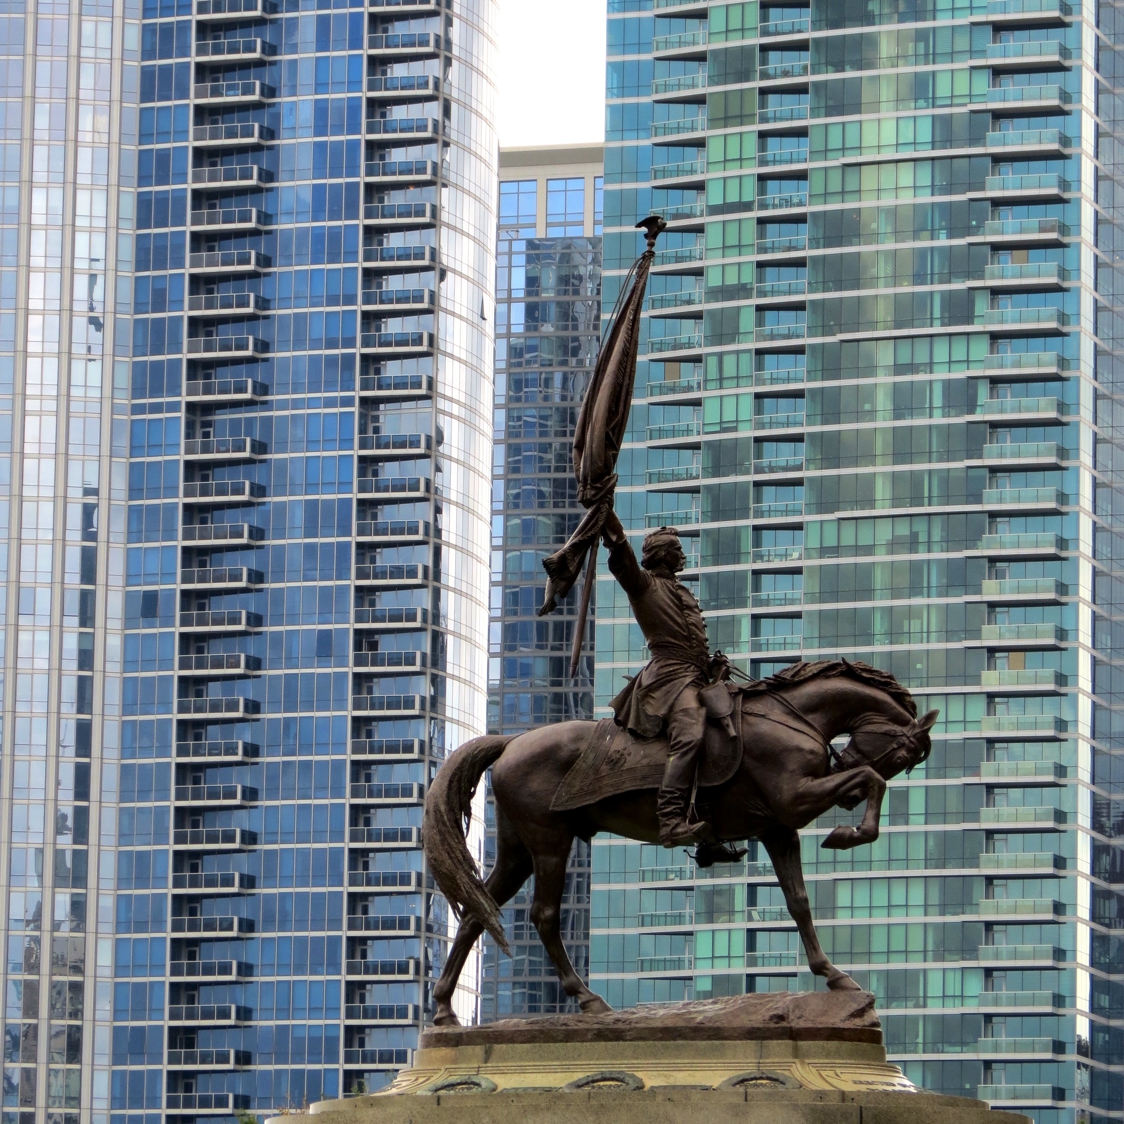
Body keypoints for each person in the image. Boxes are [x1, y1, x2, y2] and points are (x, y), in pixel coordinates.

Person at [601, 510, 726, 847]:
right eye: (676, 549)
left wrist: (710, 666)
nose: (683, 554)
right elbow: (620, 551)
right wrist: (606, 513)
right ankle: (671, 821)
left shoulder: (681, 591)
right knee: (689, 736)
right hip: (670, 680)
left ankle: (712, 833)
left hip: (698, 677)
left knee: (734, 727)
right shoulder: (643, 585)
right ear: (661, 555)